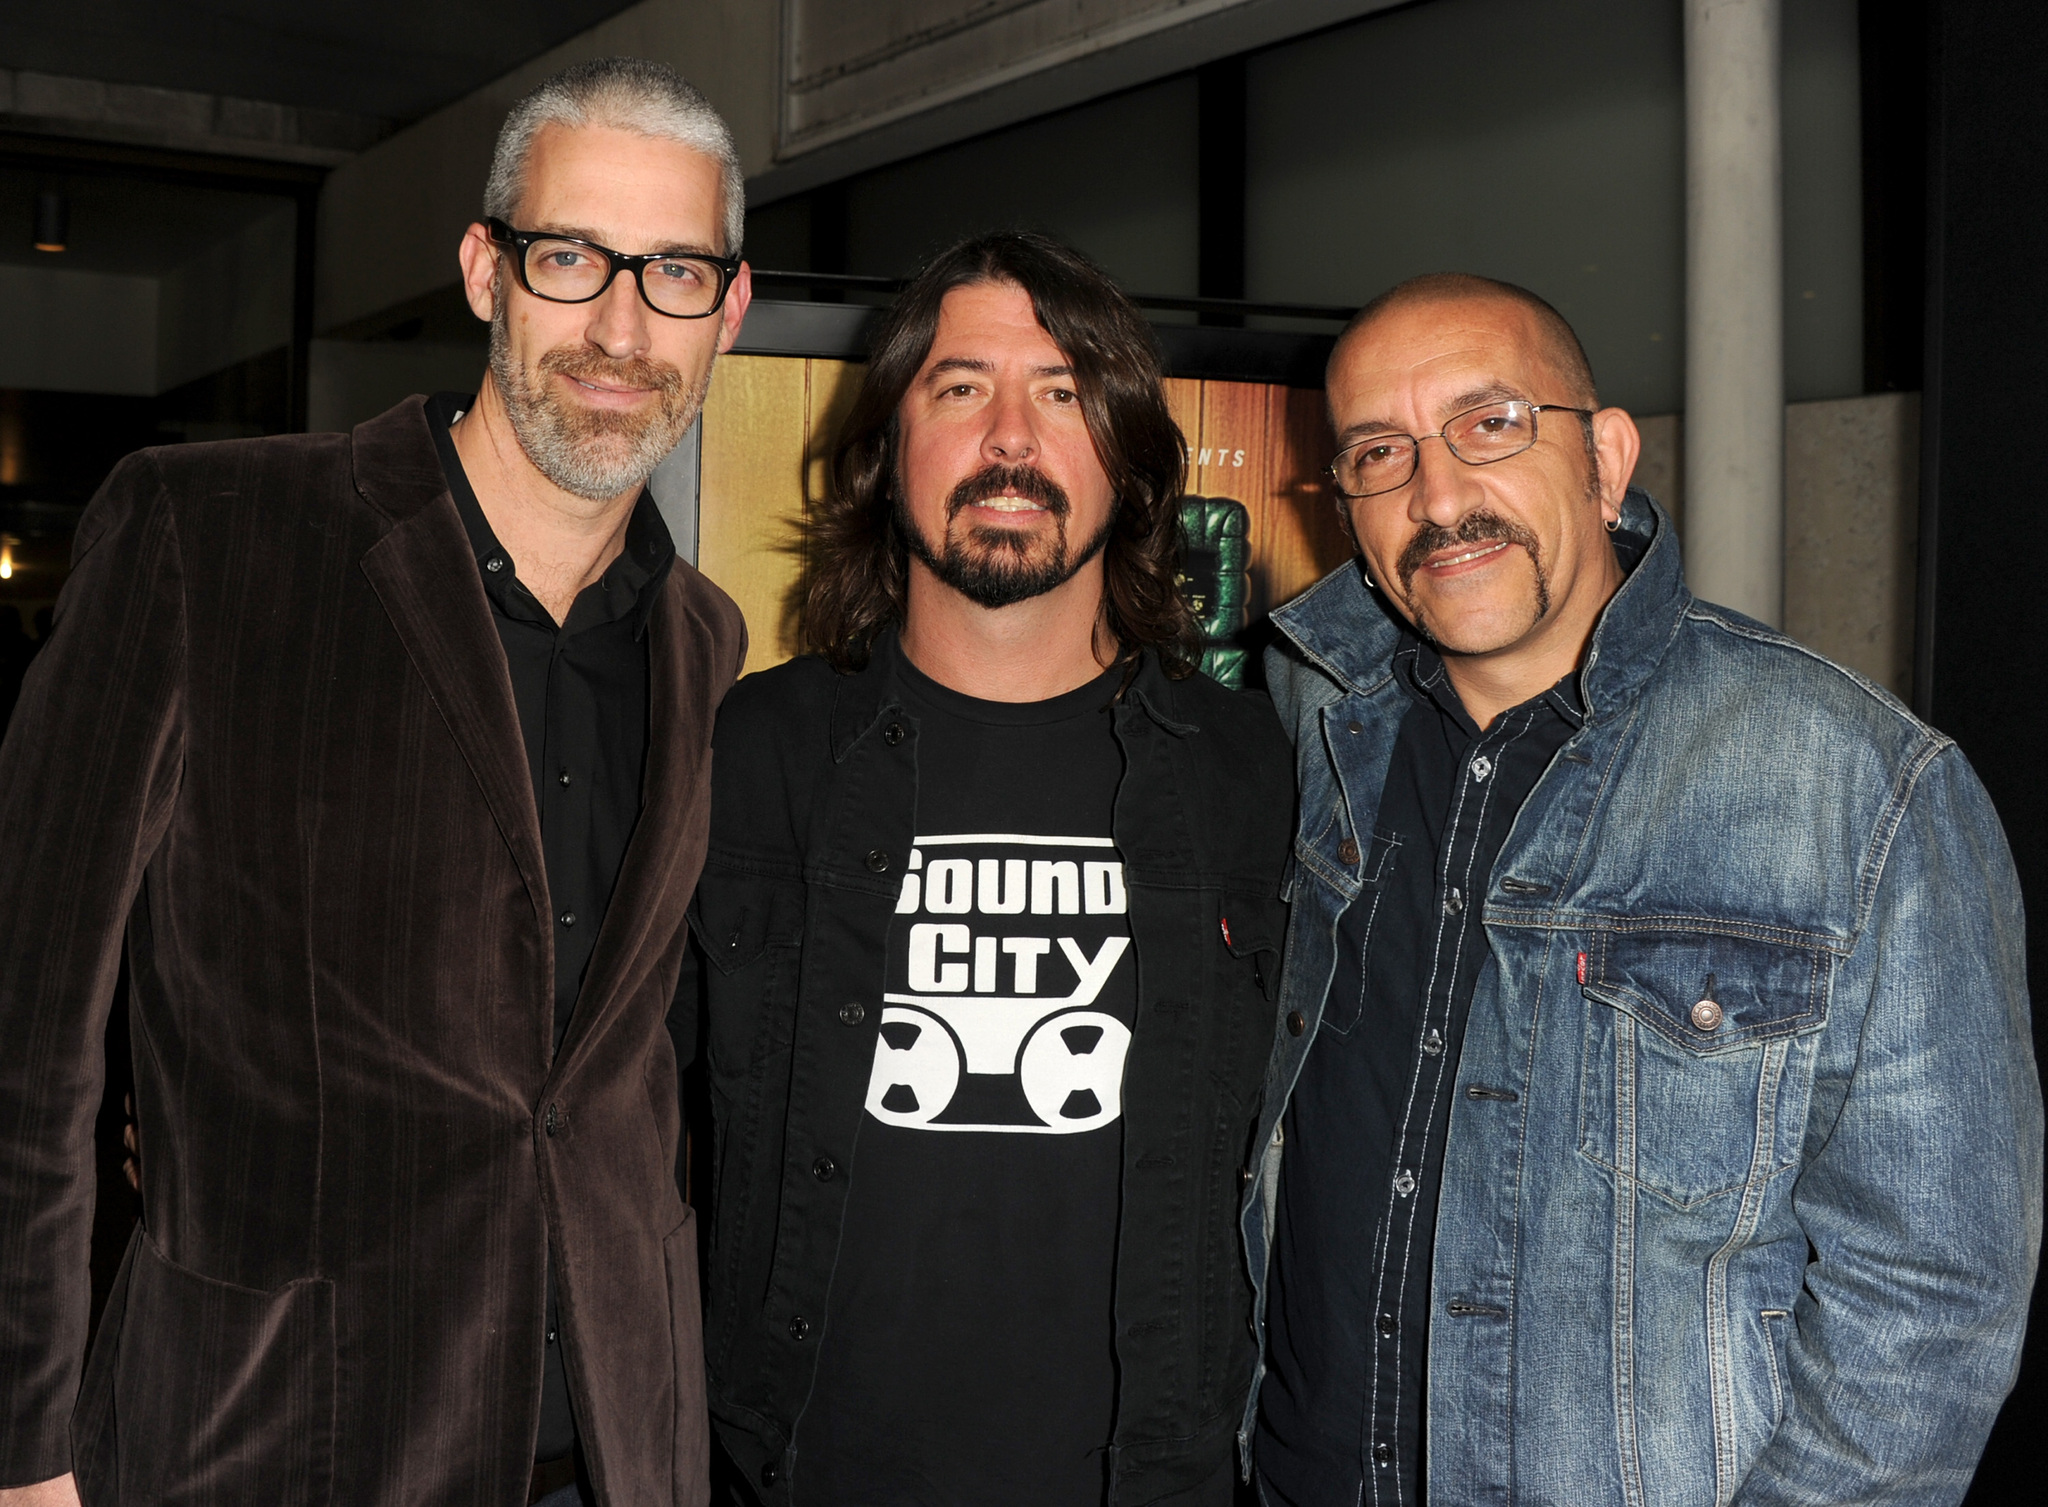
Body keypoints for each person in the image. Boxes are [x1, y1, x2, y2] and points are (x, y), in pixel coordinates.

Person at [0, 58, 751, 1507]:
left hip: (611, 1440)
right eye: (569, 257)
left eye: (671, 272)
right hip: (278, 1434)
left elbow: (624, 1075)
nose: (617, 325)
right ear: (486, 271)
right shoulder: (207, 539)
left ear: (727, 308)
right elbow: (26, 1033)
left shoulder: (704, 641)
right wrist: (23, 1449)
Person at [1241, 272, 2043, 1506]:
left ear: (1603, 458)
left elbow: (1932, 1298)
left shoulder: (1853, 783)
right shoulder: (1312, 724)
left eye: (1489, 425)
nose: (1439, 495)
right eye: (1378, 453)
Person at [677, 231, 1294, 1506]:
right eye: (959, 388)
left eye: (1063, 393)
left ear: (1126, 463)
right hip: (792, 1469)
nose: (1009, 435)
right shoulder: (750, 749)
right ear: (884, 451)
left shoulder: (1255, 771)